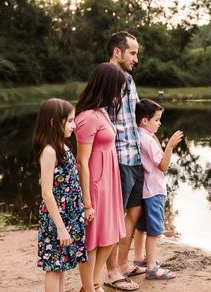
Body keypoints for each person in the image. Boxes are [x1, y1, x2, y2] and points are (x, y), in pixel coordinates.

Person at [74, 63, 136, 291]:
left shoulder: (101, 111)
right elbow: (82, 161)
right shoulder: (88, 117)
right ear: (106, 86)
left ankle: (92, 282)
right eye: (118, 88)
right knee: (92, 240)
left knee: (111, 235)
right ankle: (89, 287)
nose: (119, 93)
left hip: (110, 182)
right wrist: (87, 202)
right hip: (96, 184)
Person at [104, 31, 147, 284]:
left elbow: (136, 111)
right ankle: (111, 273)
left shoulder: (129, 79)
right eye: (132, 53)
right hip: (117, 158)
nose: (136, 59)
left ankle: (122, 263)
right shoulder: (106, 78)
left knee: (134, 211)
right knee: (113, 216)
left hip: (135, 157)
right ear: (117, 52)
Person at [33, 98, 87, 292]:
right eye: (70, 121)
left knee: (62, 265)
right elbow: (47, 193)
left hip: (68, 214)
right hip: (56, 217)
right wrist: (61, 228)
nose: (74, 125)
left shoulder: (63, 147)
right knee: (54, 267)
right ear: (53, 122)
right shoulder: (49, 151)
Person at [135, 98, 182, 280]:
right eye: (156, 120)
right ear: (145, 121)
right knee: (154, 231)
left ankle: (140, 260)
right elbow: (162, 166)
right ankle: (152, 267)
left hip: (143, 190)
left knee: (141, 228)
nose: (159, 123)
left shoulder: (138, 135)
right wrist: (170, 146)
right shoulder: (148, 140)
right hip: (154, 190)